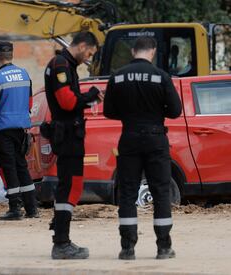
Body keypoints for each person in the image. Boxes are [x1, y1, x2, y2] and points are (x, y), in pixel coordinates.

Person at [103, 36, 182, 260]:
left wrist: (129, 115)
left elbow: (108, 111)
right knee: (160, 191)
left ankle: (127, 248)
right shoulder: (161, 76)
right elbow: (175, 111)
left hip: (128, 138)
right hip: (156, 139)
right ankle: (164, 247)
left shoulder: (117, 77)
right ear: (153, 52)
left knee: (127, 192)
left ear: (132, 51)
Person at [44, 31, 103, 259]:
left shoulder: (66, 64)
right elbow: (67, 101)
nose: (88, 57)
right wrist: (90, 96)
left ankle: (61, 237)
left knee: (71, 186)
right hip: (67, 136)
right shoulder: (61, 64)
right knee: (69, 186)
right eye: (89, 52)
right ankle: (61, 243)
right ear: (81, 46)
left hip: (70, 135)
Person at [0, 41, 39, 220]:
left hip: (3, 129)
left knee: (8, 168)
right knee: (22, 166)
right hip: (22, 128)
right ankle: (32, 208)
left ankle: (15, 208)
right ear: (11, 54)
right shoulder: (24, 75)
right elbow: (30, 103)